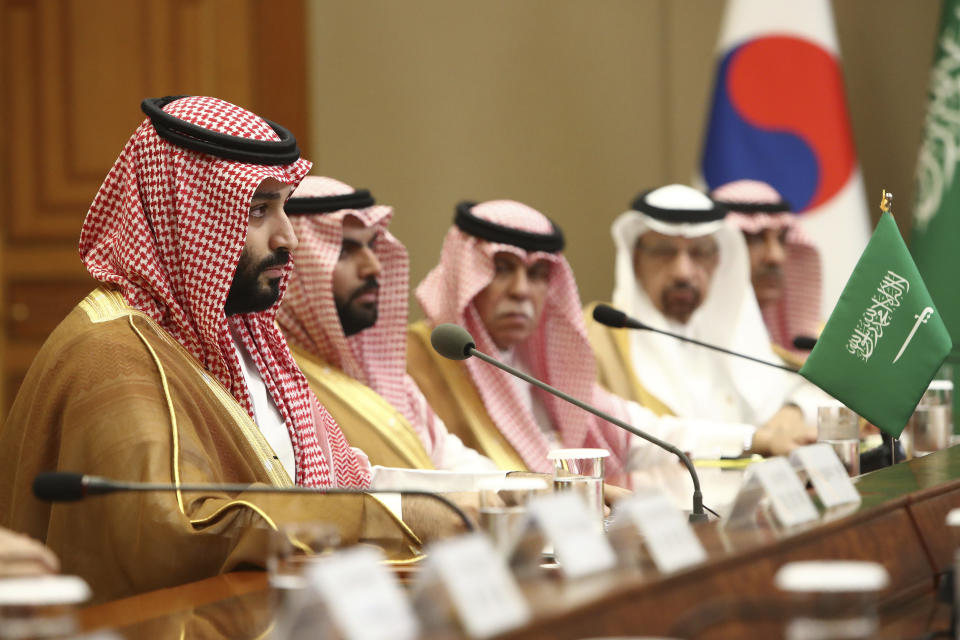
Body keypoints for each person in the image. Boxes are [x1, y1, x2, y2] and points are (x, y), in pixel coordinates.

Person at [0, 96, 417, 603]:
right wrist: (397, 516)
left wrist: (467, 500)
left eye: (283, 207)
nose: (288, 237)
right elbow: (176, 535)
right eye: (258, 210)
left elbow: (336, 477)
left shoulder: (244, 336)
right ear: (189, 216)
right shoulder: (110, 353)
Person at [407, 199, 734, 487]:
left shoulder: (537, 364)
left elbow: (642, 436)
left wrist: (750, 440)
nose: (521, 291)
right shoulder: (416, 363)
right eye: (502, 269)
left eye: (537, 274)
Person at [587, 184, 824, 458]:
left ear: (718, 261)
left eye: (700, 253)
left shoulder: (730, 329)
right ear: (635, 259)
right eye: (664, 252)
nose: (683, 273)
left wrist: (795, 410)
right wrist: (758, 440)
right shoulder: (600, 338)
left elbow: (815, 393)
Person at [277, 176, 494, 471]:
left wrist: (528, 484)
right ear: (293, 267)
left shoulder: (379, 368)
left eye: (372, 246)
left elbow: (452, 462)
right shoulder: (275, 380)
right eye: (345, 252)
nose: (374, 266)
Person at [711, 179, 822, 364]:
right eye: (754, 239)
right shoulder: (697, 346)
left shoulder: (822, 343)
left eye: (781, 239)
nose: (776, 256)